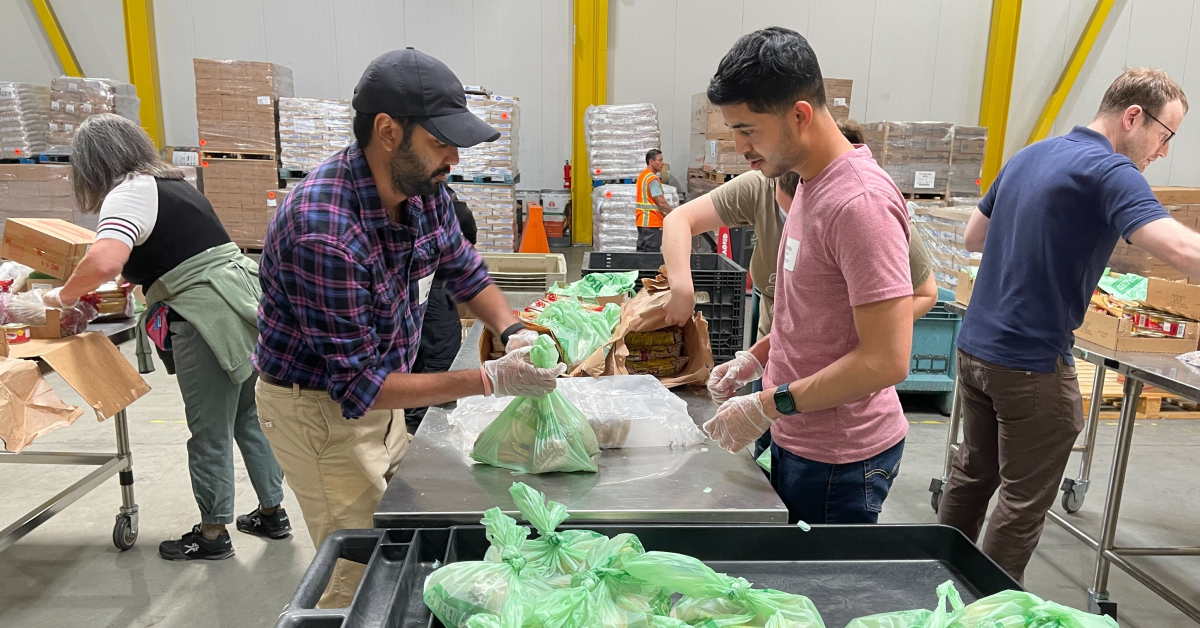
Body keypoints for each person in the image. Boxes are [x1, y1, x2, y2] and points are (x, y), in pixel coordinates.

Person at [253, 48, 560, 607]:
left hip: (383, 390)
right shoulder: (324, 230)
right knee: (358, 570)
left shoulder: (424, 190)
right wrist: (488, 379)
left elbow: (461, 265)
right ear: (388, 131)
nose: (453, 157)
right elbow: (359, 387)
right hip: (320, 412)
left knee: (404, 532)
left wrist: (513, 329)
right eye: (441, 141)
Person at [941, 68, 1200, 582]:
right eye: (1165, 135)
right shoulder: (1111, 171)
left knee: (971, 478)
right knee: (1022, 501)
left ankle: (937, 582)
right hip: (1032, 364)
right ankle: (987, 611)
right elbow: (1182, 248)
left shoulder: (1032, 153)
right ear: (1133, 117)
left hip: (975, 350)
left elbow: (974, 236)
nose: (1163, 152)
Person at [695, 27, 914, 525]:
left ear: (799, 114)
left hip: (840, 459)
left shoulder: (859, 205)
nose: (738, 147)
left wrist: (771, 404)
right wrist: (754, 360)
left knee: (818, 596)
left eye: (748, 130)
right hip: (795, 430)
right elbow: (810, 314)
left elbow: (886, 360)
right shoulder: (807, 185)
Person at [46, 113, 287, 561]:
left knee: (209, 429)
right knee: (249, 418)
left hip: (206, 317)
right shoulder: (174, 186)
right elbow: (180, 251)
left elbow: (103, 261)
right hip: (245, 306)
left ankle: (213, 535)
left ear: (93, 165)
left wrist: (59, 297)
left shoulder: (127, 192)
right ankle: (273, 513)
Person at [404, 187, 478, 432]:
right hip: (427, 289)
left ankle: (414, 424)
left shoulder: (437, 199)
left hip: (429, 283)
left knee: (431, 356)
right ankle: (416, 427)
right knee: (437, 357)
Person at [635, 149, 673, 251]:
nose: (663, 163)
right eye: (659, 160)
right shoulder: (652, 179)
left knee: (642, 254)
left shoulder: (643, 176)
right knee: (650, 256)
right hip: (652, 223)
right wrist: (674, 213)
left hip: (642, 222)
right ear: (651, 162)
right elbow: (661, 202)